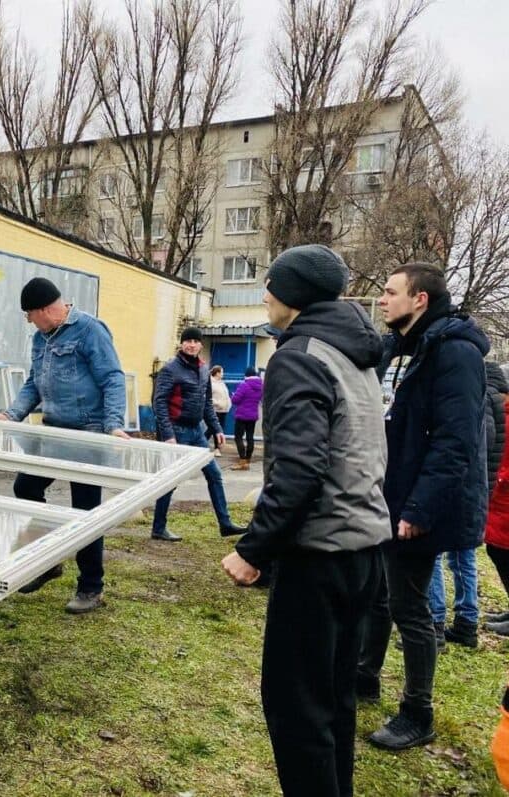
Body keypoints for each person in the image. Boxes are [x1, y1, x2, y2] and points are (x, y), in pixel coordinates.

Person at [221, 244, 388, 797]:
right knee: (335, 701)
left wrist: (252, 551)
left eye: (270, 283)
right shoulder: (354, 354)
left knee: (297, 710)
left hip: (318, 560)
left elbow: (298, 472)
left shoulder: (299, 356)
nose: (264, 293)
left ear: (293, 293)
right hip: (364, 553)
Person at [357, 262, 489, 751]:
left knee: (410, 609)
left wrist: (418, 509)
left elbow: (455, 442)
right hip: (389, 497)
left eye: (391, 292)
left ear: (420, 300)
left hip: (420, 506)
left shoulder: (454, 354)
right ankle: (363, 677)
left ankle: (418, 712)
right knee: (378, 594)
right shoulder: (402, 348)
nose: (383, 299)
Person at [0, 276, 128, 615]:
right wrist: (11, 414)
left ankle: (91, 586)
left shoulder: (90, 331)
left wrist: (114, 425)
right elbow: (34, 383)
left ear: (47, 309)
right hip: (53, 432)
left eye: (30, 315)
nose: (29, 322)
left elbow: (112, 377)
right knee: (25, 488)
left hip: (88, 433)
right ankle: (48, 563)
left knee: (86, 513)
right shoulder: (41, 338)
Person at [429, 360, 508, 647]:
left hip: (464, 490)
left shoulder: (480, 400)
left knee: (439, 553)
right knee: (462, 556)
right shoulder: (493, 402)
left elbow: (472, 448)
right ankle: (465, 619)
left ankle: (438, 621)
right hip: (476, 491)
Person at [149, 327, 245, 542]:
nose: (191, 344)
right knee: (169, 481)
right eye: (187, 341)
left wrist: (217, 429)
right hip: (177, 431)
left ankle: (225, 524)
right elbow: (159, 402)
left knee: (214, 475)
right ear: (181, 344)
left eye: (195, 341)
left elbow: (207, 403)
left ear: (201, 345)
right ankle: (158, 528)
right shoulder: (170, 369)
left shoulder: (204, 369)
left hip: (197, 432)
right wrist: (168, 434)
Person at [483, 364, 509, 635]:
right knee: (495, 550)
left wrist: (500, 479)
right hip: (499, 500)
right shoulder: (502, 413)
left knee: (502, 552)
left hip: (505, 496)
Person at [229, 366, 263, 470]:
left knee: (238, 437)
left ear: (246, 375)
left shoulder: (244, 385)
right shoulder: (261, 385)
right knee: (250, 438)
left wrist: (233, 396)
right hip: (253, 416)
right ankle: (248, 460)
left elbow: (235, 400)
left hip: (242, 415)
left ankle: (242, 462)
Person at [210, 365, 231, 456]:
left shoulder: (221, 383)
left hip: (223, 410)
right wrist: (217, 403)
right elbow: (208, 397)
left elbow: (226, 395)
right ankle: (216, 448)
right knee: (214, 429)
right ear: (217, 373)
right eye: (222, 372)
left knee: (218, 428)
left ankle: (216, 446)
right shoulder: (210, 383)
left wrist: (228, 403)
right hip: (216, 409)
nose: (223, 374)